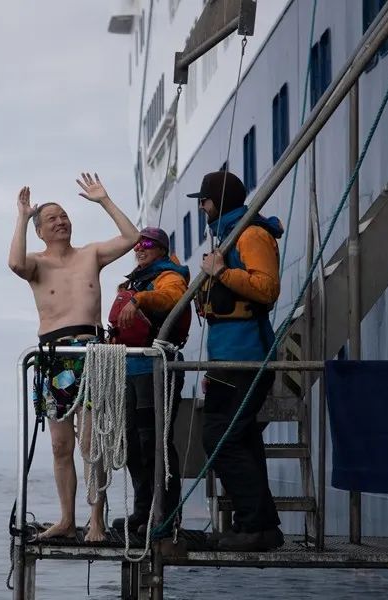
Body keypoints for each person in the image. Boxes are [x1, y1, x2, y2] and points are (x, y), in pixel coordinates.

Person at [8, 172, 138, 542]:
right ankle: (67, 519)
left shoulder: (91, 254)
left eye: (64, 216)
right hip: (54, 357)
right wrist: (20, 216)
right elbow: (14, 264)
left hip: (91, 352)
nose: (61, 222)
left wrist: (104, 200)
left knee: (91, 443)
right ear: (40, 231)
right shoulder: (36, 263)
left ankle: (95, 520)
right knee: (60, 445)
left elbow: (131, 238)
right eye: (52, 219)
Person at [191, 169, 285, 551]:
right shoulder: (229, 235)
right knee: (240, 439)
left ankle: (255, 526)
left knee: (220, 437)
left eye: (205, 199)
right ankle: (260, 527)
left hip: (247, 357)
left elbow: (267, 288)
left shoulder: (250, 233)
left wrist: (222, 272)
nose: (201, 206)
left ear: (221, 200)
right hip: (227, 358)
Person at [108, 227, 190, 535]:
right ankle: (143, 511)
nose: (139, 249)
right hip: (130, 371)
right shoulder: (134, 280)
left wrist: (139, 299)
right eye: (137, 244)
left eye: (147, 244)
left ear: (161, 249)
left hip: (157, 370)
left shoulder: (169, 277)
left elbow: (172, 298)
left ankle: (165, 515)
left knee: (155, 442)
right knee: (132, 444)